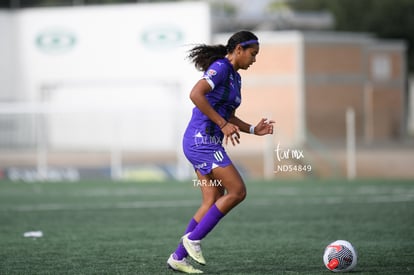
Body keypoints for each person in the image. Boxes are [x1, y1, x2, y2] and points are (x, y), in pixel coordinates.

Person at [167, 30, 275, 274]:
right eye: (253, 54)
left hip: (205, 141)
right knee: (238, 191)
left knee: (212, 199)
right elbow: (196, 94)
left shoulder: (235, 78)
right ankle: (193, 240)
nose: (254, 59)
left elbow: (227, 113)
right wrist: (223, 124)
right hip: (201, 141)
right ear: (239, 50)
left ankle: (178, 257)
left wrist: (251, 129)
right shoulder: (221, 68)